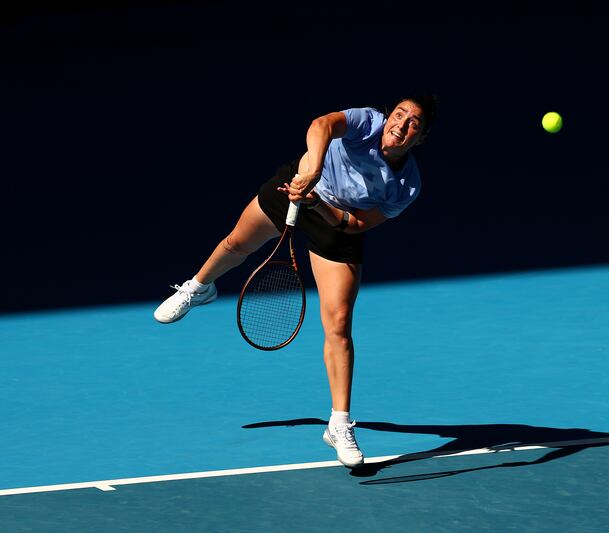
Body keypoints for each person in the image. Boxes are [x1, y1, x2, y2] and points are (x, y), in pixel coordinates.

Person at [153, 94, 438, 468]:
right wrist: (313, 171)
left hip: (335, 220)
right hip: (297, 185)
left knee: (338, 324)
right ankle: (199, 287)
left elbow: (355, 225)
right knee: (237, 243)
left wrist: (317, 202)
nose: (401, 125)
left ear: (420, 138)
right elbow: (322, 125)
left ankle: (338, 424)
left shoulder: (406, 184)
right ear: (387, 116)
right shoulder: (366, 122)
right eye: (398, 115)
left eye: (413, 123)